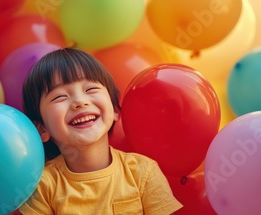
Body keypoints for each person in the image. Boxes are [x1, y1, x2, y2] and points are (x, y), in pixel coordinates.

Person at [18, 47, 183, 215]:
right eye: (60, 97)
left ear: (115, 110)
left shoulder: (143, 172)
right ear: (41, 129)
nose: (80, 102)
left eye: (90, 89)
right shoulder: (42, 187)